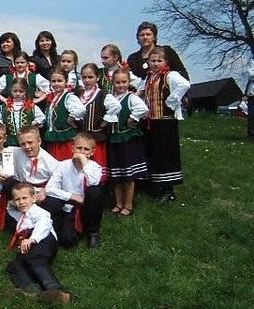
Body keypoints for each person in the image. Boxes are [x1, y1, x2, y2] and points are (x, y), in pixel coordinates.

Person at [4, 183, 72, 304]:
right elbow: (12, 213)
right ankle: (32, 291)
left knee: (34, 259)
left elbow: (44, 222)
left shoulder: (38, 212)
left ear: (34, 198)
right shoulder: (22, 216)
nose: (21, 202)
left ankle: (56, 291)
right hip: (29, 244)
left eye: (24, 198)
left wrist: (33, 239)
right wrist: (10, 205)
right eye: (17, 199)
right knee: (16, 265)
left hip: (44, 240)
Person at [139, 46, 190, 203]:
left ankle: (169, 190)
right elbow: (139, 90)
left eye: (159, 61)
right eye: (152, 61)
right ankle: (159, 187)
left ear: (166, 62)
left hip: (166, 122)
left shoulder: (170, 76)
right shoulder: (149, 78)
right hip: (152, 122)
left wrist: (173, 99)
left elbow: (185, 85)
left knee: (166, 155)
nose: (155, 64)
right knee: (155, 154)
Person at [44, 132, 103, 249]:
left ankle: (93, 232)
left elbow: (93, 181)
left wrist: (83, 161)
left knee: (95, 191)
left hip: (88, 206)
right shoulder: (63, 165)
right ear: (72, 148)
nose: (82, 152)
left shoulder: (95, 167)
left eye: (86, 149)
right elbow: (49, 189)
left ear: (92, 152)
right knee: (68, 241)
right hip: (69, 205)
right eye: (79, 148)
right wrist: (71, 196)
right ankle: (59, 225)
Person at [108, 68, 149, 216]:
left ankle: (128, 204)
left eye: (124, 82)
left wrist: (133, 118)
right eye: (117, 82)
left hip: (127, 139)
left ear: (128, 82)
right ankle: (118, 203)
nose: (121, 85)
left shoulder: (131, 98)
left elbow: (143, 109)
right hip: (113, 139)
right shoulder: (110, 97)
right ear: (113, 83)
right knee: (116, 174)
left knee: (128, 174)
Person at [78, 63, 121, 180]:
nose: (87, 80)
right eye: (84, 77)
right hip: (82, 137)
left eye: (90, 77)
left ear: (97, 78)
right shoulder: (79, 94)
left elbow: (116, 106)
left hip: (97, 136)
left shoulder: (102, 94)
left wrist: (106, 120)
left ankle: (100, 187)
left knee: (97, 164)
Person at [43, 67, 85, 160]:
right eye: (53, 81)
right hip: (54, 138)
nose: (56, 83)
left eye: (59, 81)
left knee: (66, 162)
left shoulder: (69, 96)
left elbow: (81, 109)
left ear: (66, 82)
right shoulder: (51, 97)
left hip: (65, 139)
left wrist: (71, 118)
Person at [0, 78, 46, 146]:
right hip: (10, 142)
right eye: (15, 91)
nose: (18, 94)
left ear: (25, 91)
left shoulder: (31, 106)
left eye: (21, 91)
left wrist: (32, 123)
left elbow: (41, 118)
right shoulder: (4, 107)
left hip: (27, 142)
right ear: (11, 91)